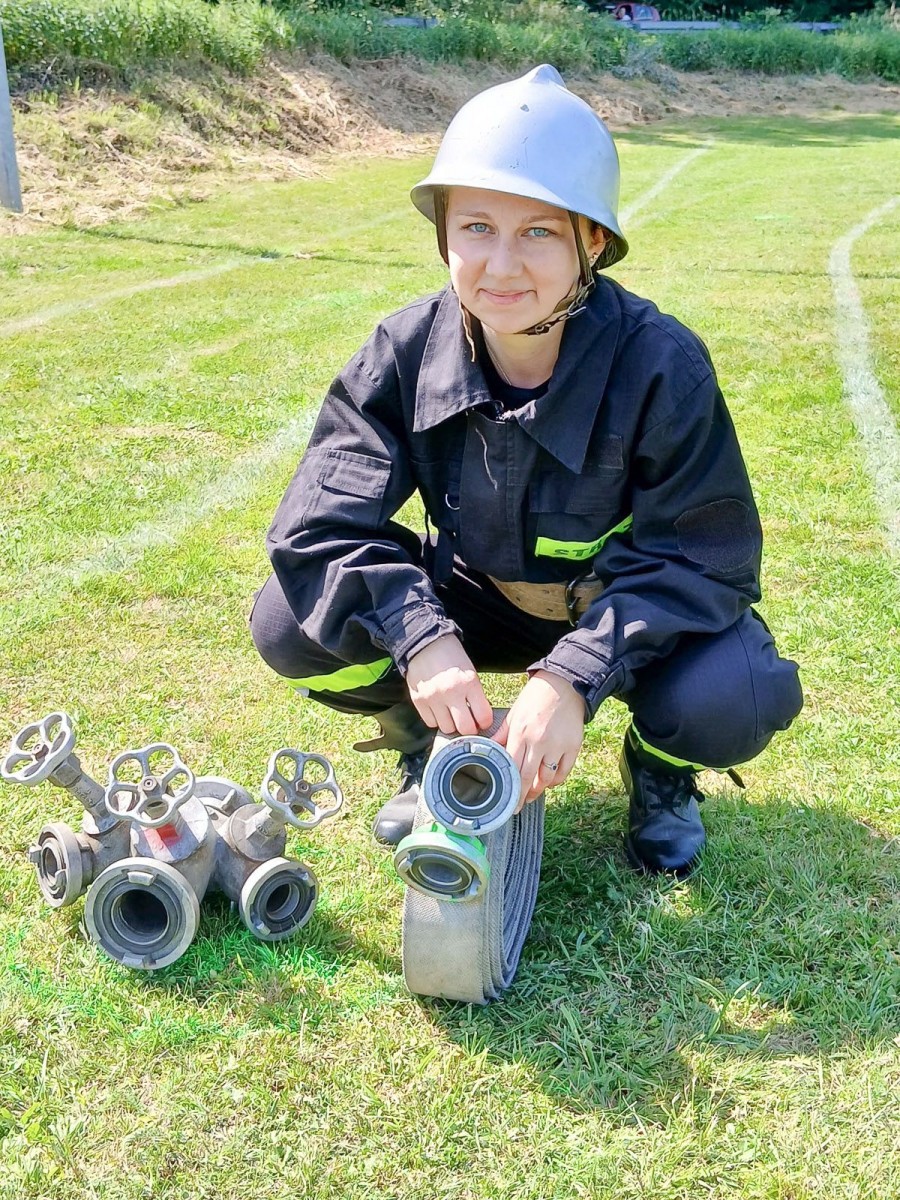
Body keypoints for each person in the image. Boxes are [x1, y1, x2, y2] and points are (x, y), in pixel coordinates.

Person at [250, 65, 802, 876]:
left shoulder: (662, 366)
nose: (500, 266)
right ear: (443, 235)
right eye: (476, 227)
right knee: (287, 622)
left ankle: (660, 771)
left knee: (737, 690)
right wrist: (419, 637)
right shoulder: (402, 351)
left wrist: (574, 677)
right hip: (476, 602)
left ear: (594, 244)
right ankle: (427, 743)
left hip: (619, 612)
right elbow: (317, 527)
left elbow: (706, 559)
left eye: (538, 232)